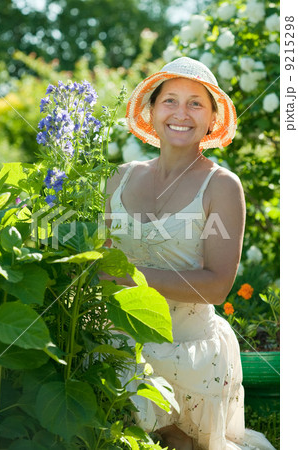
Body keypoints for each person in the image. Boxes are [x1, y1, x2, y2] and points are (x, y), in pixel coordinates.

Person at [100, 57, 276, 450]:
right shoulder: (119, 177)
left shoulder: (221, 187)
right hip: (115, 341)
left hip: (188, 353)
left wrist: (130, 274)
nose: (182, 113)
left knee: (177, 442)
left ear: (213, 117)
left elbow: (216, 287)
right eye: (170, 101)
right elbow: (98, 261)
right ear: (152, 109)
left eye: (196, 103)